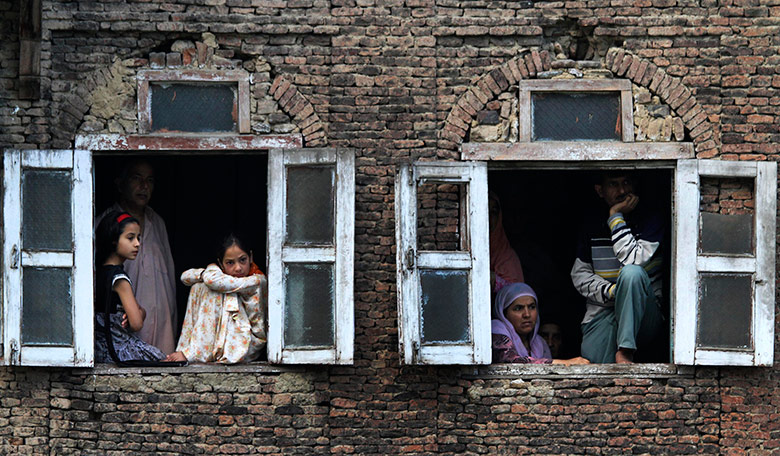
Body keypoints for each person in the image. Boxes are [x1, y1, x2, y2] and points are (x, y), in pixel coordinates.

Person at [571, 172, 665, 364]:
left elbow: (632, 260)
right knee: (591, 369)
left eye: (626, 182)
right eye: (614, 184)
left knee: (631, 273)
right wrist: (613, 292)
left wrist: (615, 217)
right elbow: (579, 275)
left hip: (645, 314)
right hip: (603, 311)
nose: (622, 190)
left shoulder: (651, 220)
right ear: (600, 191)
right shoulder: (591, 225)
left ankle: (625, 349)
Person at [97, 159, 177, 354]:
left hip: (161, 326)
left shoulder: (157, 223)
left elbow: (169, 279)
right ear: (120, 183)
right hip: (124, 334)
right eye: (137, 178)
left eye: (150, 180)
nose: (144, 186)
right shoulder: (105, 224)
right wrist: (138, 313)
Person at [164, 234, 267, 364]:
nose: (238, 268)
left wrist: (211, 269)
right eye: (230, 262)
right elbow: (185, 277)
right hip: (226, 339)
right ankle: (189, 348)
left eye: (242, 260)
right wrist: (208, 272)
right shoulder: (221, 277)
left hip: (246, 344)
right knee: (199, 287)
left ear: (251, 257)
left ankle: (195, 353)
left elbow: (213, 281)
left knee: (214, 290)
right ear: (221, 263)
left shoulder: (257, 280)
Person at [94, 211, 166, 363]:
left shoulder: (99, 272)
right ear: (114, 240)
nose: (137, 243)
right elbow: (136, 323)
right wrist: (140, 311)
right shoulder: (120, 280)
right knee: (164, 359)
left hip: (98, 349)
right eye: (130, 237)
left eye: (138, 238)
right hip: (118, 349)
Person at [492, 283, 589, 365]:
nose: (527, 314)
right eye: (518, 308)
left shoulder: (539, 343)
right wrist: (564, 363)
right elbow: (510, 360)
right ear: (504, 313)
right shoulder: (497, 328)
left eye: (532, 307)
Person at [489, 192, 525, 293]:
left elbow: (519, 294)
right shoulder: (466, 248)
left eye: (494, 212)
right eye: (485, 209)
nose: (489, 216)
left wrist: (494, 281)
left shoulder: (507, 256)